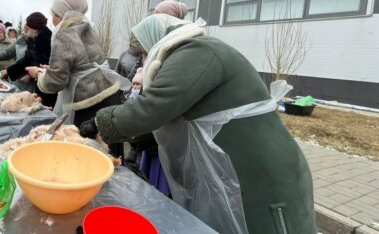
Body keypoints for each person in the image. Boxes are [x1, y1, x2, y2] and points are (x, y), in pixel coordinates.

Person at [78, 13, 316, 233]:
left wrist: (101, 122)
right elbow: (174, 116)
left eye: (142, 53)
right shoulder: (189, 52)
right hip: (237, 173)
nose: (143, 61)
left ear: (155, 41)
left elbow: (154, 107)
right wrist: (139, 137)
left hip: (264, 176)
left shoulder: (196, 51)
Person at [25, 0, 126, 157]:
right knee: (108, 156)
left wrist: (39, 75)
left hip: (88, 104)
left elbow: (55, 82)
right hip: (109, 97)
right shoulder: (88, 28)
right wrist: (49, 69)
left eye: (54, 14)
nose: (53, 19)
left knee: (84, 155)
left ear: (61, 15)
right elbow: (82, 66)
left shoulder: (63, 33)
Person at [0, 12, 56, 106]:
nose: (27, 29)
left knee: (45, 107)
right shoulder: (33, 38)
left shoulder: (47, 41)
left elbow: (42, 63)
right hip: (38, 82)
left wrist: (30, 76)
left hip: (48, 84)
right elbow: (27, 60)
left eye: (28, 27)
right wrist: (8, 71)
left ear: (35, 28)